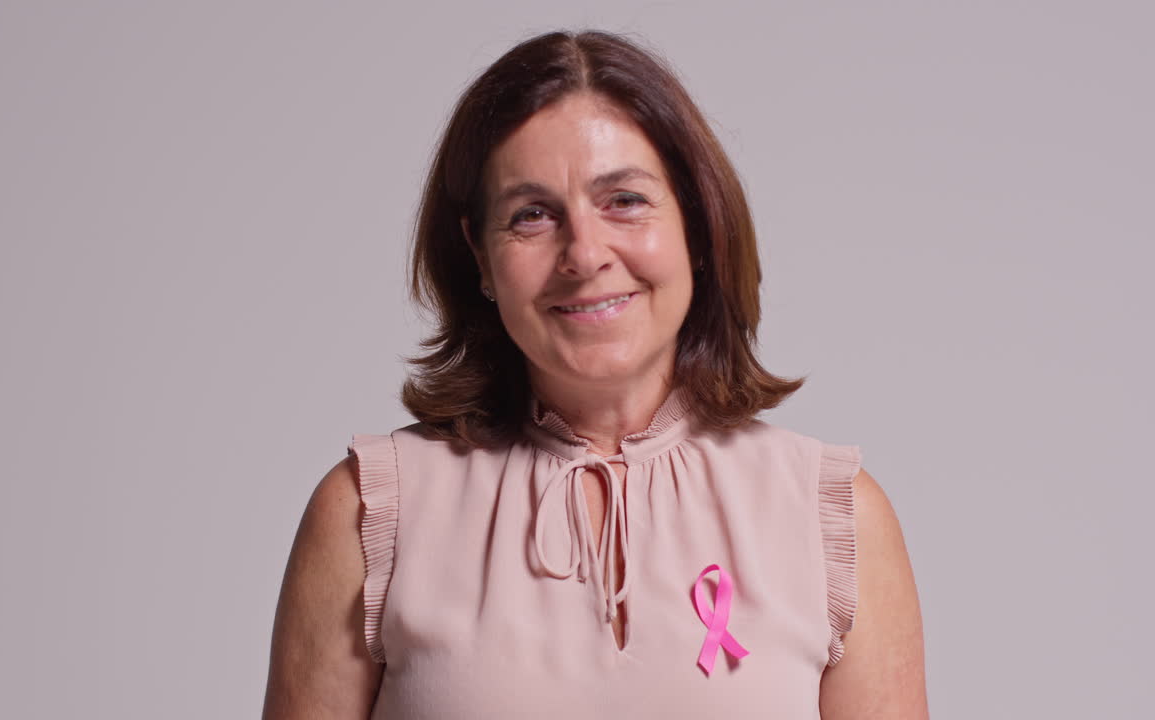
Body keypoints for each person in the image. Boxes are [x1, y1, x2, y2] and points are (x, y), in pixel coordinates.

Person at [263, 29, 927, 719]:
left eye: (625, 200)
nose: (584, 252)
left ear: (698, 226)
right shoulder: (368, 514)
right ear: (481, 259)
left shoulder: (836, 519)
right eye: (533, 214)